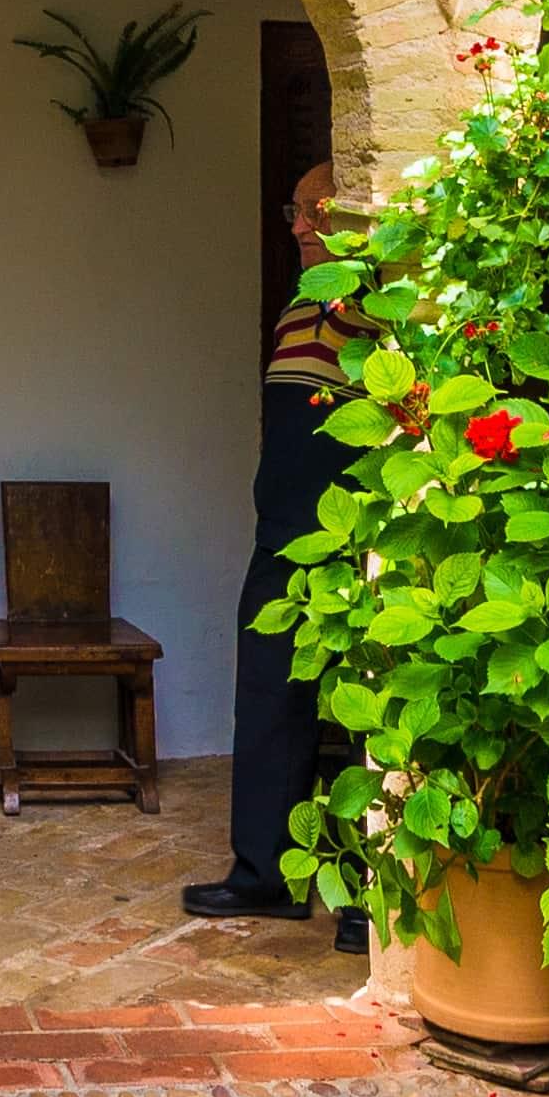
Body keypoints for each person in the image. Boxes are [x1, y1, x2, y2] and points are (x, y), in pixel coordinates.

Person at [189, 158, 363, 937]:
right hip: (281, 536)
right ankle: (267, 874)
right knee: (266, 698)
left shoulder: (385, 305)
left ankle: (369, 900)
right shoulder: (298, 309)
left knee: (366, 714)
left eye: (315, 210)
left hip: (357, 539)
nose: (297, 225)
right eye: (294, 210)